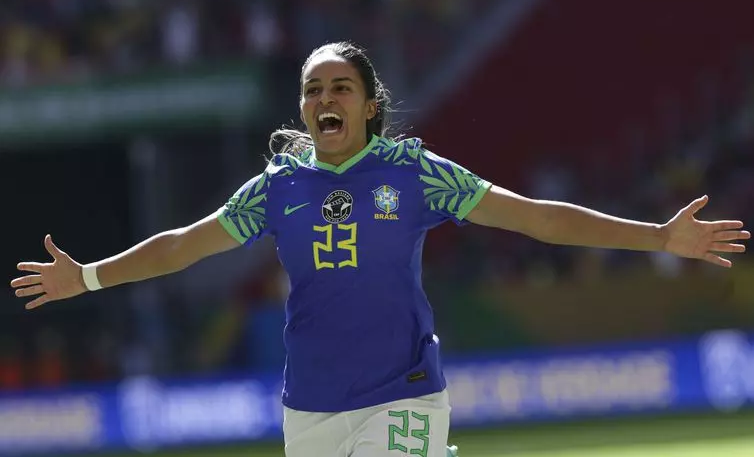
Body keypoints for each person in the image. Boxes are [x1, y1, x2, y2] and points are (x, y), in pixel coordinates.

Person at [11, 41, 749, 457]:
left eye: (340, 85)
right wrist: (93, 276)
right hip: (310, 407)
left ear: (370, 104)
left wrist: (655, 236)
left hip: (404, 391)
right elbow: (183, 246)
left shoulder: (416, 172)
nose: (323, 98)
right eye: (311, 89)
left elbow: (538, 220)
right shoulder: (275, 188)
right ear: (302, 107)